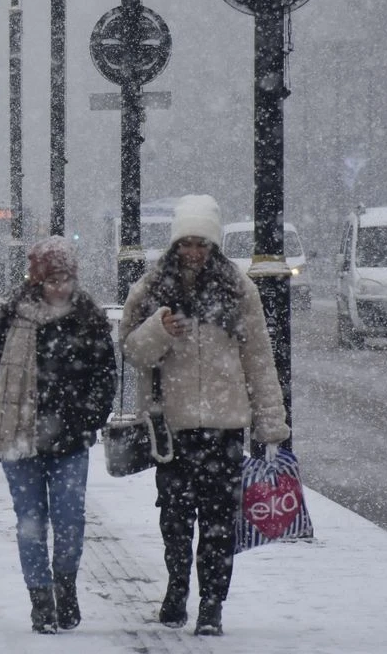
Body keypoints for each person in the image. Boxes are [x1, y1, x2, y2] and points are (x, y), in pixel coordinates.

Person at [118, 194, 291, 636]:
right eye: (186, 243)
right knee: (175, 518)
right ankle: (177, 589)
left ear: (213, 246)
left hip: (224, 425)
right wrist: (158, 329)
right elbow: (131, 351)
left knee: (218, 521)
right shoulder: (150, 288)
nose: (193, 252)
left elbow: (259, 360)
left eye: (201, 244)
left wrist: (270, 422)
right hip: (172, 426)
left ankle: (212, 604)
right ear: (175, 244)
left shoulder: (239, 289)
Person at [0, 236, 117, 634]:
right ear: (37, 279)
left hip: (70, 440)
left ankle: (65, 587)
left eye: (65, 278)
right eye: (52, 279)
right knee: (30, 522)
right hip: (18, 436)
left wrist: (88, 419)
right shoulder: (6, 315)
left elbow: (104, 375)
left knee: (70, 520)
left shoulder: (88, 317)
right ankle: (40, 600)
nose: (60, 287)